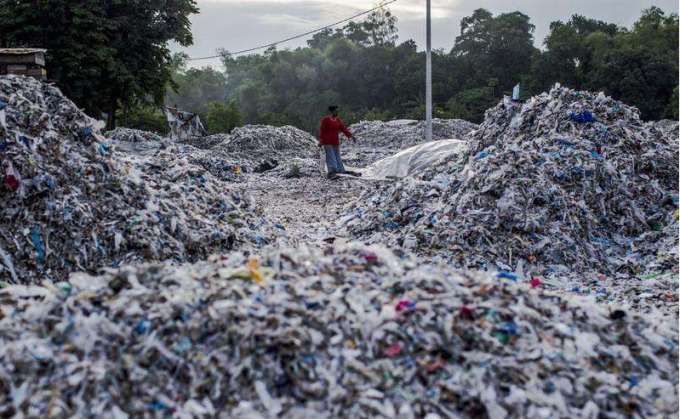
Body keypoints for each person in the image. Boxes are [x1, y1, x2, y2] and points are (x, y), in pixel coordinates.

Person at [318, 105, 359, 179]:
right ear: (332, 111)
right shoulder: (326, 120)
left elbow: (343, 129)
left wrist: (351, 136)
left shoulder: (337, 120)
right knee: (331, 157)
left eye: (338, 112)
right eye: (336, 111)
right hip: (327, 142)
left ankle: (341, 170)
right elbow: (322, 130)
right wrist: (321, 140)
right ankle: (332, 172)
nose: (338, 113)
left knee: (337, 157)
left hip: (335, 142)